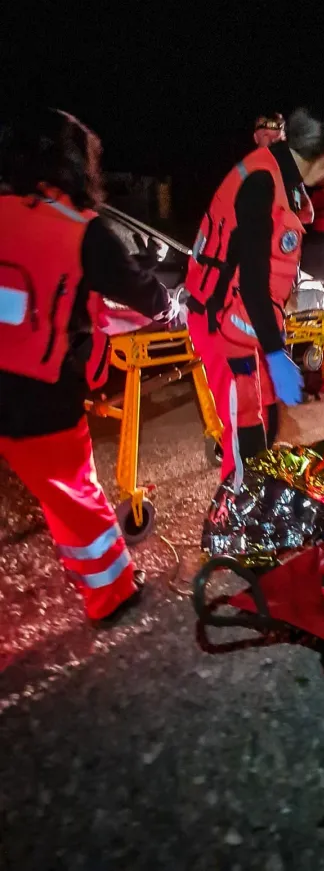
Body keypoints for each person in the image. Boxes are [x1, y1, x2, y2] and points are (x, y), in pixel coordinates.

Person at [0, 109, 168, 625]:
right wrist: (167, 304)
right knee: (75, 487)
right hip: (39, 391)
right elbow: (141, 291)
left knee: (51, 487)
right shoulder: (81, 231)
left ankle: (79, 562)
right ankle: (113, 590)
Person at [186, 106, 324, 486]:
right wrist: (277, 354)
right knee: (246, 437)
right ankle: (234, 528)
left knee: (267, 423)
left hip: (247, 323)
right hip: (223, 325)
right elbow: (253, 281)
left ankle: (255, 507)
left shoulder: (282, 175)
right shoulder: (261, 182)